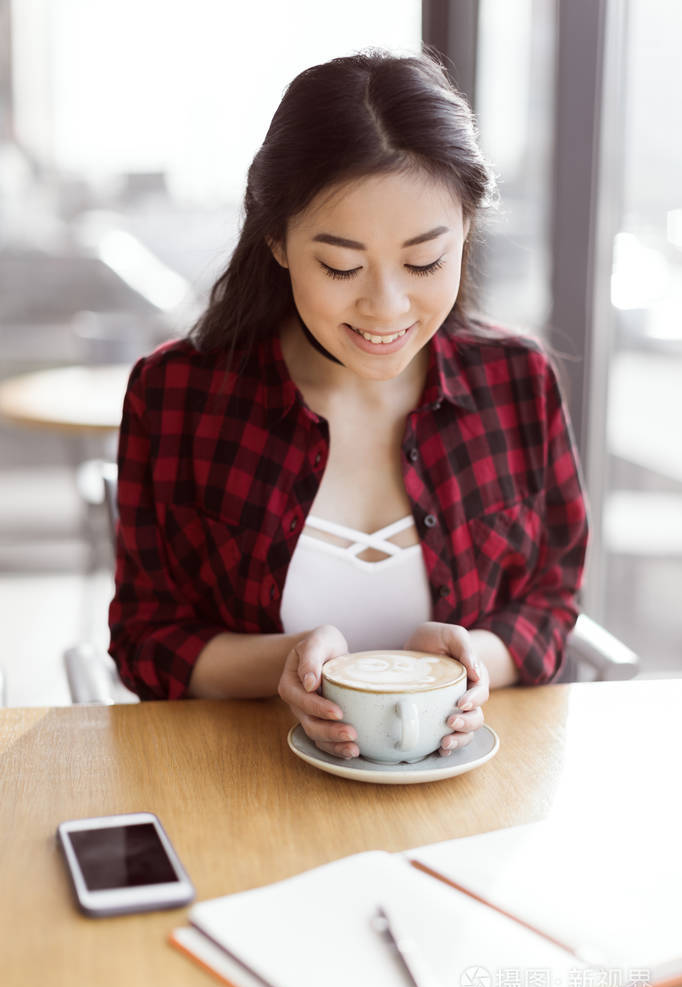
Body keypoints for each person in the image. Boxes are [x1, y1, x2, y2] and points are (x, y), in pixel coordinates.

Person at [109, 49, 589, 760]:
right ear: (275, 237)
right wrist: (288, 661)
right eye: (340, 266)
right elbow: (145, 635)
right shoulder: (177, 397)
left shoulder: (518, 384)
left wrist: (469, 660)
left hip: (471, 799)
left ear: (466, 230)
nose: (385, 306)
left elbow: (552, 599)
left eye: (426, 261)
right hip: (243, 791)